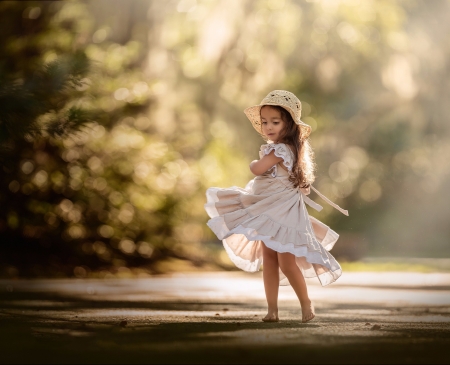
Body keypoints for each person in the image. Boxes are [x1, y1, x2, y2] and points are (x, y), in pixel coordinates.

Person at [204, 90, 349, 323]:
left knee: (286, 261)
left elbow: (257, 169)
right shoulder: (289, 149)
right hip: (270, 210)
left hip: (281, 212)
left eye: (275, 122)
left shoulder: (279, 149)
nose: (268, 127)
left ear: (288, 124)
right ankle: (272, 310)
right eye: (264, 122)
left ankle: (305, 303)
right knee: (269, 259)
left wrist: (254, 162)